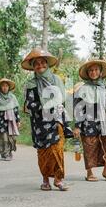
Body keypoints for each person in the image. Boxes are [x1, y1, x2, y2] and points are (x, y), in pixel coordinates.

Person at [22, 48, 73, 191]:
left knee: (57, 149)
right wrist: (46, 103)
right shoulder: (31, 84)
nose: (40, 66)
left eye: (42, 62)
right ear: (33, 67)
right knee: (43, 151)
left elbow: (62, 99)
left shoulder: (56, 80)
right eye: (36, 64)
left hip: (56, 119)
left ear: (47, 64)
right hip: (39, 123)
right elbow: (30, 105)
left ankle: (58, 179)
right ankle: (45, 179)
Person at [73, 59, 106, 182]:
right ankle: (89, 173)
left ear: (100, 72)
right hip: (88, 121)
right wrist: (77, 126)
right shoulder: (82, 89)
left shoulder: (104, 87)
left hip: (103, 121)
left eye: (96, 70)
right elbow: (78, 108)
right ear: (88, 73)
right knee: (90, 147)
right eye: (91, 70)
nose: (93, 72)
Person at [0, 78, 21, 161]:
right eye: (3, 86)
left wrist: (18, 121)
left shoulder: (12, 97)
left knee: (12, 138)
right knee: (4, 139)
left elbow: (16, 110)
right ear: (0, 88)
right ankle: (6, 153)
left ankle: (9, 151)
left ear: (9, 87)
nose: (5, 88)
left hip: (11, 122)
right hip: (1, 122)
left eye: (6, 86)